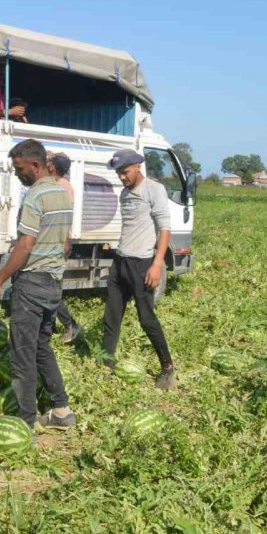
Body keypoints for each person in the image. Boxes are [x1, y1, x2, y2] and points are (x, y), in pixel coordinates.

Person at [0, 139, 75, 430]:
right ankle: (61, 411)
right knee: (41, 347)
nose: (17, 174)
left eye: (19, 169)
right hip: (53, 283)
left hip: (32, 283)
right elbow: (66, 243)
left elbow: (25, 244)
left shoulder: (35, 196)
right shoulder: (61, 194)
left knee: (22, 354)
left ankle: (24, 423)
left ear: (35, 165)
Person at [102, 149, 177, 389]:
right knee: (112, 315)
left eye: (124, 172)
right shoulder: (124, 193)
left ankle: (167, 368)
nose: (122, 177)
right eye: (118, 174)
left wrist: (156, 265)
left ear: (137, 166)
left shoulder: (154, 190)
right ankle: (105, 363)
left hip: (142, 264)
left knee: (147, 319)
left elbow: (164, 229)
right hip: (121, 262)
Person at [46, 152, 82, 343]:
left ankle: (71, 325)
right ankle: (49, 327)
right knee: (47, 286)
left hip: (56, 244)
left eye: (48, 162)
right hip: (49, 243)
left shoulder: (63, 187)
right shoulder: (51, 184)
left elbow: (65, 216)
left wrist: (65, 241)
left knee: (50, 288)